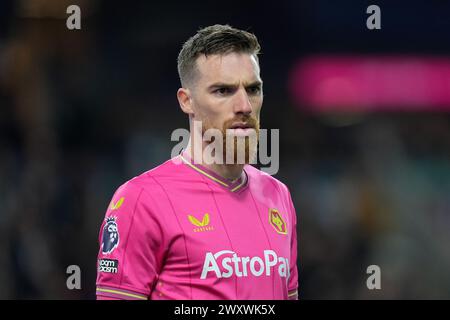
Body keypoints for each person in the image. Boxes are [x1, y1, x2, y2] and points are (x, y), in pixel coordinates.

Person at [96, 24, 298, 300]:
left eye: (253, 89)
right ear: (187, 101)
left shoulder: (279, 196)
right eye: (223, 91)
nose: (245, 106)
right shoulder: (141, 200)